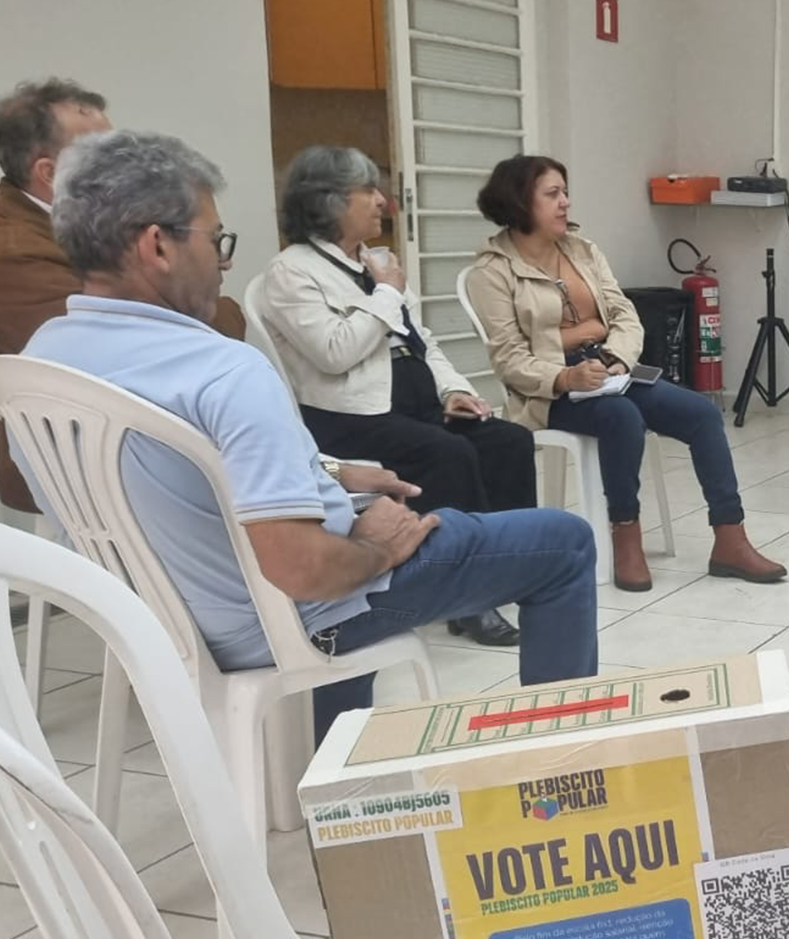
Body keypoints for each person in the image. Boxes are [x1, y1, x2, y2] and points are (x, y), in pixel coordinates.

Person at [9, 130, 599, 740]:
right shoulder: (223, 369)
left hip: (168, 624)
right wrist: (376, 548)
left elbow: (191, 468)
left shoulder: (40, 360)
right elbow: (304, 569)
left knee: (412, 488)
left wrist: (335, 474)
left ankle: (334, 778)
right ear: (158, 245)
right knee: (563, 542)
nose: (226, 260)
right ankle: (559, 762)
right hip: (285, 618)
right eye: (216, 240)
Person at [466, 154, 785, 592]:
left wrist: (616, 357)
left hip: (609, 369)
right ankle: (626, 534)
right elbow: (509, 359)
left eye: (565, 192)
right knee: (622, 419)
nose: (565, 203)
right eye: (552, 194)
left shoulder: (582, 251)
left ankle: (730, 538)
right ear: (519, 201)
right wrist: (564, 377)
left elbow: (624, 315)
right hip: (551, 391)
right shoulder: (493, 271)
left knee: (702, 414)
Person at [258, 145, 534, 647]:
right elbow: (333, 352)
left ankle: (507, 569)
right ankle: (467, 599)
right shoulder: (292, 270)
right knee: (449, 454)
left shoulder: (372, 261)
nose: (382, 201)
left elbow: (421, 341)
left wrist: (454, 390)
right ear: (329, 201)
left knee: (507, 442)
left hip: (414, 405)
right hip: (347, 417)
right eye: (367, 190)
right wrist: (385, 292)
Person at [1, 77, 246, 514]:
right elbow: (115, 353)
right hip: (60, 454)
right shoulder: (15, 246)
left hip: (112, 427)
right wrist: (211, 303)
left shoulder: (72, 225)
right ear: (50, 173)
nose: (122, 167)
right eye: (100, 155)